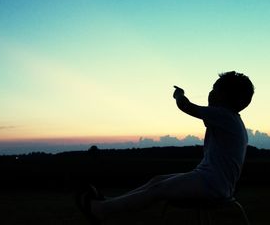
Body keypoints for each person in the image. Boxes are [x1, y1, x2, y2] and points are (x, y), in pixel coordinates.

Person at [76, 71, 254, 224]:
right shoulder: (231, 120)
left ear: (225, 96)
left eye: (214, 88)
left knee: (157, 190)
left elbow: (186, 106)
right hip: (212, 182)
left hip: (210, 185)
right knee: (157, 180)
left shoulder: (223, 114)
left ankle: (102, 210)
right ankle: (109, 203)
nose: (210, 92)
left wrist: (179, 95)